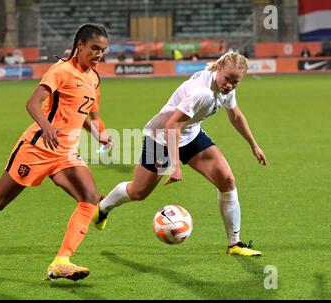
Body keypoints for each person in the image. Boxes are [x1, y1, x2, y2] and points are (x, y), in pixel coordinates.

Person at [0, 23, 112, 281]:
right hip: (37, 148)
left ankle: (61, 261)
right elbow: (33, 103)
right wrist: (47, 127)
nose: (99, 55)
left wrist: (98, 133)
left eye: (103, 50)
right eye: (94, 48)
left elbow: (81, 113)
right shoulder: (61, 71)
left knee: (89, 198)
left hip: (65, 153)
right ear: (80, 46)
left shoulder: (94, 77)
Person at [93, 51, 266, 256]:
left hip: (190, 134)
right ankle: (102, 208)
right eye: (227, 79)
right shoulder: (201, 92)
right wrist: (174, 166)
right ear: (219, 69)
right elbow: (171, 124)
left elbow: (236, 116)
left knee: (227, 180)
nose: (229, 85)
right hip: (161, 138)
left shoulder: (226, 89)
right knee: (139, 192)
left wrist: (253, 144)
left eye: (235, 82)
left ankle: (234, 244)